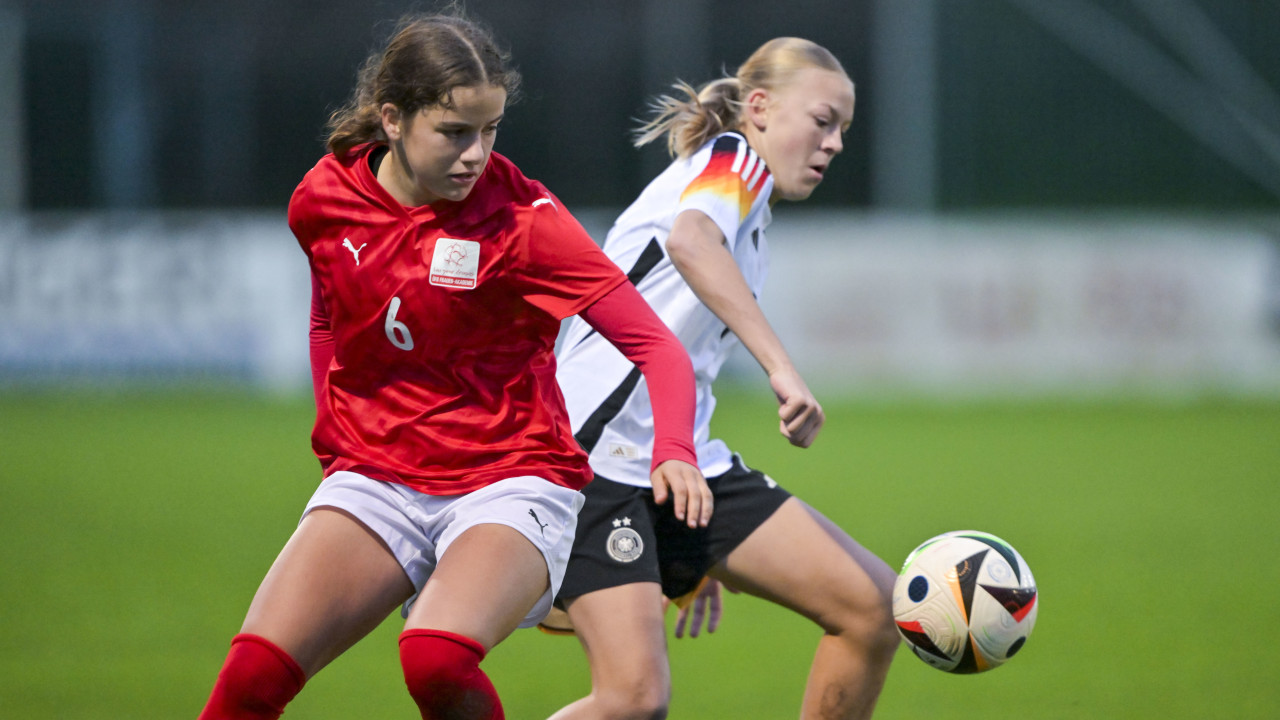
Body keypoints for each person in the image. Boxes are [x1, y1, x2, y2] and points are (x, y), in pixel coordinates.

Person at [196, 12, 711, 720]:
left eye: (491, 129)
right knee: (250, 679)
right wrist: (332, 426)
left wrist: (675, 451)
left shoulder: (525, 221)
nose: (476, 154)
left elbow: (658, 346)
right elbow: (328, 316)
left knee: (434, 657)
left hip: (510, 478)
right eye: (455, 132)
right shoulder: (324, 200)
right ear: (392, 119)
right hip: (378, 476)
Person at [548, 37, 900, 720]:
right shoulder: (732, 160)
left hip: (677, 466)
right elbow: (689, 241)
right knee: (632, 699)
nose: (834, 144)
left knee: (871, 607)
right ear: (760, 108)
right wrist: (782, 368)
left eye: (844, 131)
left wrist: (692, 541)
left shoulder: (750, 207)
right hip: (595, 458)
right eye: (823, 120)